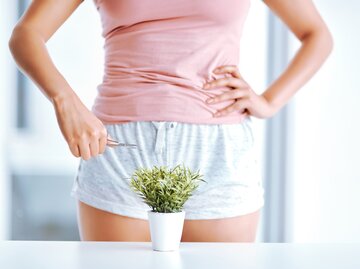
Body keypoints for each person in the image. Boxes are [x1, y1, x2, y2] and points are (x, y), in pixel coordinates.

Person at [8, 0, 333, 242]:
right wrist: (66, 101)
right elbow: (27, 34)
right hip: (122, 148)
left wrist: (269, 102)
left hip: (217, 148)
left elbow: (317, 35)